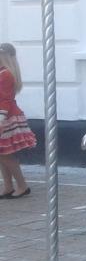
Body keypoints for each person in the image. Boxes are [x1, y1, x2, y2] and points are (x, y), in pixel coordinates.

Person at [0, 43, 36, 199]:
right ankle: (8, 186)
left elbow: (5, 99)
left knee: (6, 155)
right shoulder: (4, 73)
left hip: (6, 117)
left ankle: (22, 186)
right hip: (6, 115)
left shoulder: (6, 74)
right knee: (2, 154)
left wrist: (0, 119)